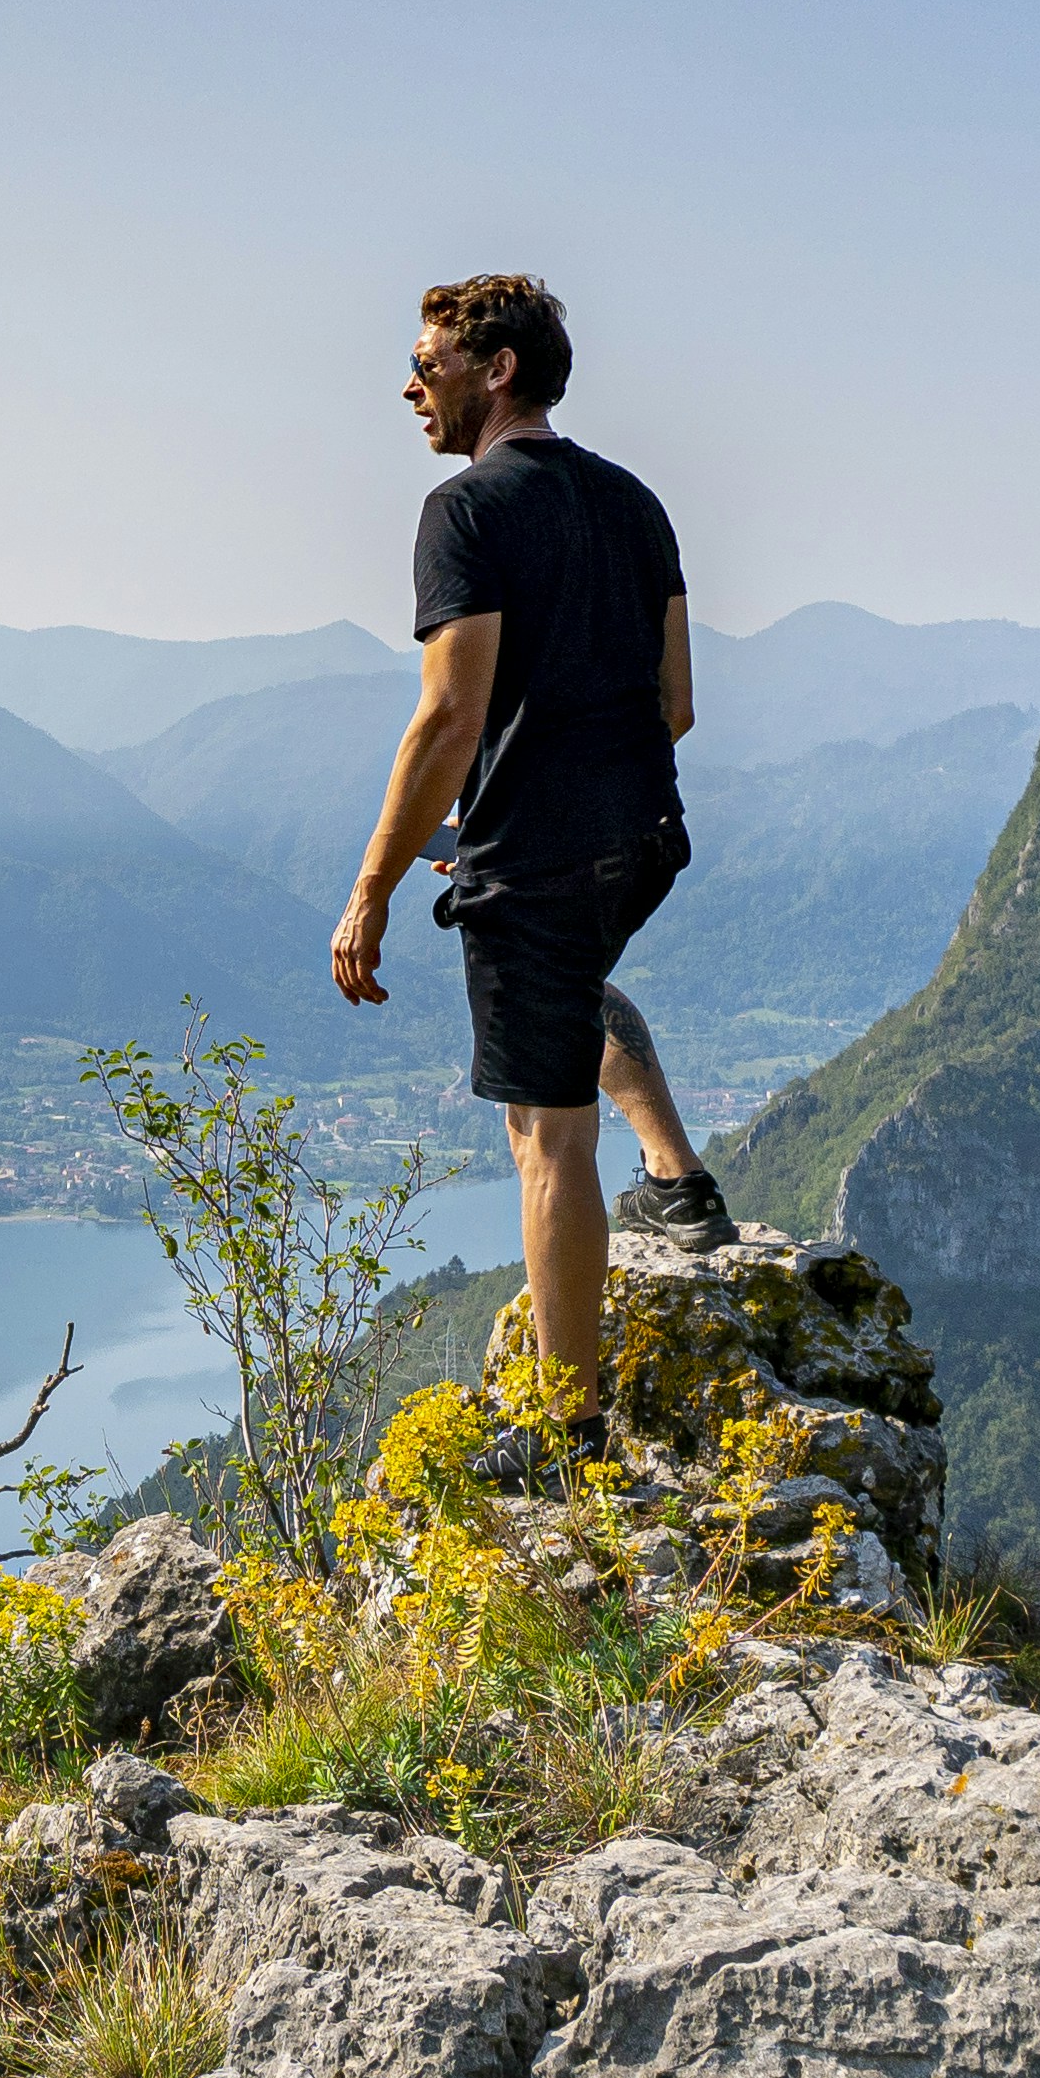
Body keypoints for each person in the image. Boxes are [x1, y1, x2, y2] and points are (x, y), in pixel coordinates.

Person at [332, 271, 730, 1384]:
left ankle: (570, 1425)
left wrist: (371, 890)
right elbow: (677, 704)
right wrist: (549, 796)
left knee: (545, 1141)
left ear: (495, 369)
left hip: (541, 860)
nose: (410, 385)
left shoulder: (464, 512)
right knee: (570, 990)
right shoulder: (637, 503)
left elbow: (451, 713)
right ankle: (677, 1173)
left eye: (426, 364)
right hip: (643, 838)